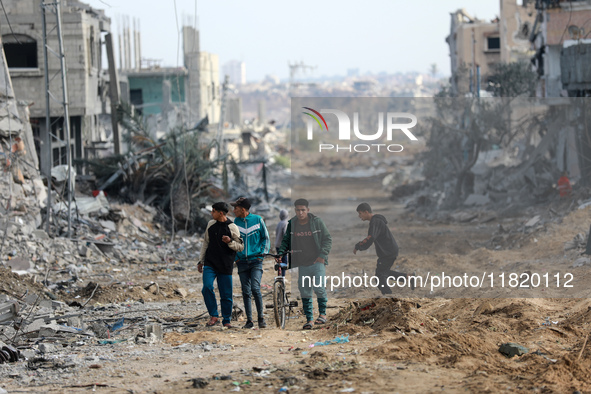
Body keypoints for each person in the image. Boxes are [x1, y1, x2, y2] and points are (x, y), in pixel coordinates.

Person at [277, 198, 332, 330]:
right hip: (302, 264)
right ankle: (310, 320)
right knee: (305, 291)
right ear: (295, 211)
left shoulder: (317, 222)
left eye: (303, 210)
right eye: (298, 210)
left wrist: (322, 256)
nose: (300, 213)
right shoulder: (292, 224)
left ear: (307, 210)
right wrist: (281, 253)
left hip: (317, 262)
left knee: (319, 288)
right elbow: (286, 241)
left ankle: (322, 314)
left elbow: (327, 239)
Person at [198, 202, 244, 328]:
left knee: (226, 294)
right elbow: (205, 243)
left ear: (221, 213)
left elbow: (240, 246)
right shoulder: (210, 225)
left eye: (213, 211)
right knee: (206, 287)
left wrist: (229, 242)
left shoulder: (232, 227)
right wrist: (200, 260)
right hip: (210, 262)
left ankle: (226, 320)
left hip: (225, 264)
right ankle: (214, 315)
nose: (211, 213)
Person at [353, 202, 414, 294]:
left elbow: (371, 237)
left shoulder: (375, 221)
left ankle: (389, 297)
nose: (359, 216)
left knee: (380, 277)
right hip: (389, 251)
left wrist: (359, 246)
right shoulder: (375, 221)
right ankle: (409, 277)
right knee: (384, 272)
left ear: (366, 212)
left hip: (388, 252)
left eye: (360, 213)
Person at [231, 197, 270, 329]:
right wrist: (236, 257)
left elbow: (266, 238)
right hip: (241, 262)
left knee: (255, 288)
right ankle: (249, 321)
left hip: (256, 261)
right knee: (245, 291)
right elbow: (233, 241)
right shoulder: (236, 222)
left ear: (243, 209)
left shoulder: (258, 220)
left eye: (235, 208)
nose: (233, 210)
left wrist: (262, 255)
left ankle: (261, 318)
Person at [275, 209, 289, 276]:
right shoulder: (286, 223)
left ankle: (279, 276)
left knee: (279, 262)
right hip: (282, 246)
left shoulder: (279, 223)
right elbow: (285, 235)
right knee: (284, 262)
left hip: (277, 245)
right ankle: (282, 277)